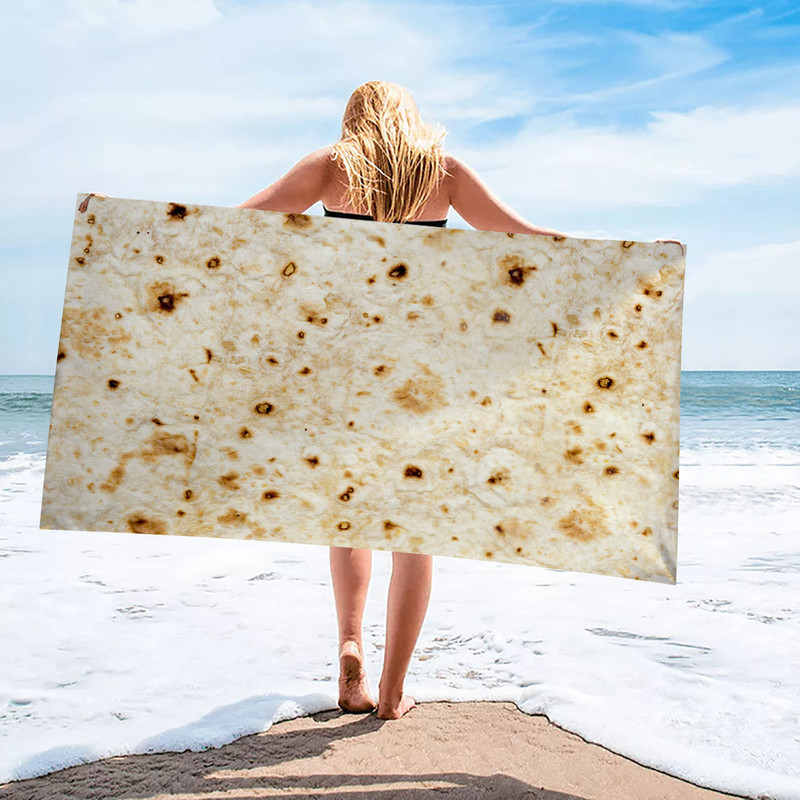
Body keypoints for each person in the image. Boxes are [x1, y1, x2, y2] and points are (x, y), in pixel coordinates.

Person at [79, 80, 682, 721]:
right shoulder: (443, 171)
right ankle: (392, 694)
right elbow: (528, 238)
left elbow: (233, 228)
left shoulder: (330, 167)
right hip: (423, 378)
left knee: (349, 514)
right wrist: (637, 261)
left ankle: (348, 647)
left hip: (341, 372)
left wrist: (120, 228)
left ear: (353, 118)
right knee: (414, 533)